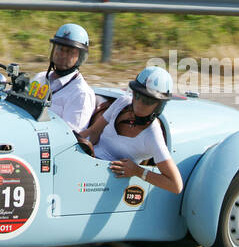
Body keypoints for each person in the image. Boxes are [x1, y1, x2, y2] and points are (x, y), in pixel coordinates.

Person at [81, 65, 185, 195]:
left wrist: (138, 171)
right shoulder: (123, 102)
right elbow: (93, 132)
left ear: (159, 105)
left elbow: (176, 185)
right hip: (88, 165)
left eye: (147, 99)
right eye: (137, 94)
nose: (139, 103)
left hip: (106, 184)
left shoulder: (153, 135)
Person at [28, 22, 96, 133]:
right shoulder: (40, 78)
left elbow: (70, 137)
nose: (62, 54)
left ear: (80, 57)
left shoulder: (81, 94)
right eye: (59, 48)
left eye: (69, 51)